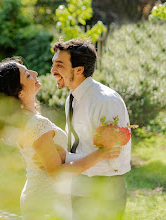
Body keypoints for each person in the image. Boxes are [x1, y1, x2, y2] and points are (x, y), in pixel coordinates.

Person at [0, 57, 121, 220]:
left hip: (43, 198)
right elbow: (57, 172)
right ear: (19, 92)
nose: (34, 73)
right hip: (47, 202)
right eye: (27, 75)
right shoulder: (36, 123)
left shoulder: (26, 120)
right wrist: (100, 154)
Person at [51, 38, 131, 220]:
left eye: (59, 65)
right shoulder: (71, 98)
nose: (53, 71)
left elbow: (114, 160)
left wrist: (66, 158)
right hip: (79, 186)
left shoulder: (105, 101)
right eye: (54, 64)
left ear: (79, 70)